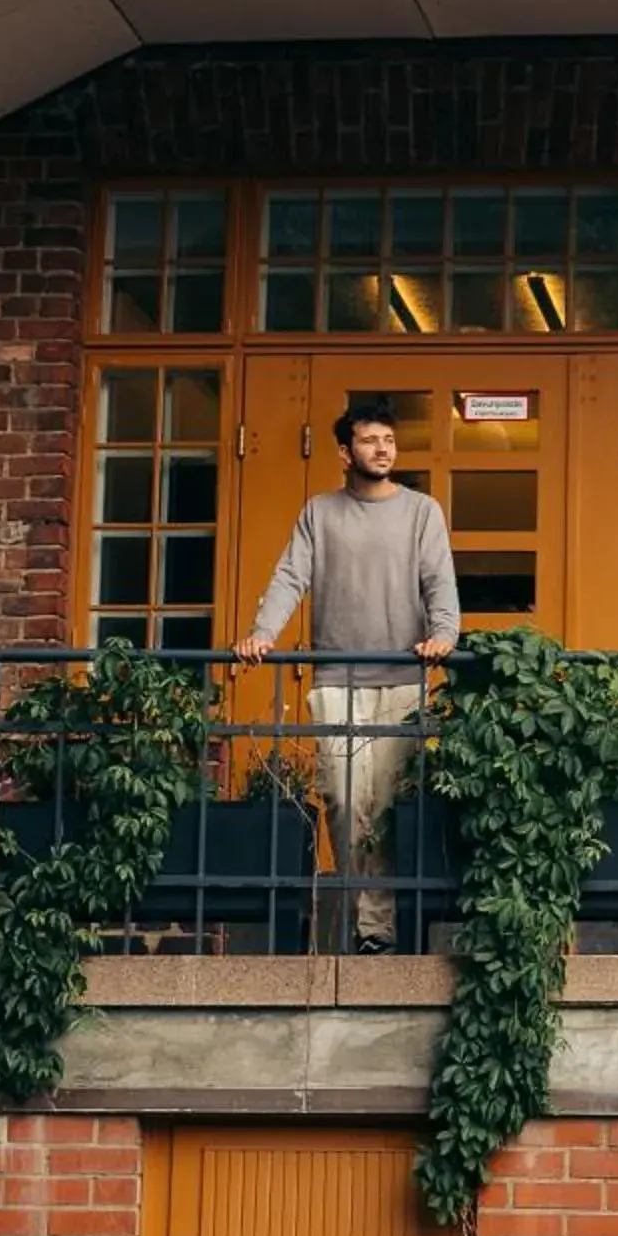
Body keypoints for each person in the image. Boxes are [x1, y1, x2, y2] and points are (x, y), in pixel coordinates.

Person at [237, 398, 459, 950]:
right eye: (369, 440)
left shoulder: (421, 511)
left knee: (384, 805)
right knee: (341, 795)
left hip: (403, 679)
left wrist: (446, 634)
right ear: (344, 452)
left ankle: (376, 930)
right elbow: (290, 576)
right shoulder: (320, 512)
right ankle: (367, 916)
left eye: (388, 439)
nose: (382, 448)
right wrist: (264, 632)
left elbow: (439, 582)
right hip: (337, 678)